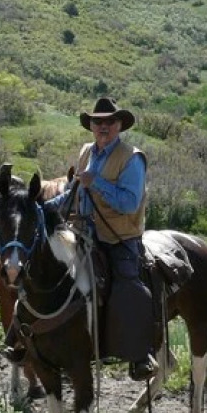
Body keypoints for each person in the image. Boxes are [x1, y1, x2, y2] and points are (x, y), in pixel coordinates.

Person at [50, 96, 155, 379]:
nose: (103, 126)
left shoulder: (132, 157)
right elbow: (74, 191)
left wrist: (96, 182)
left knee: (126, 285)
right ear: (91, 126)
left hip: (119, 237)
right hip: (81, 231)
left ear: (119, 125)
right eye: (98, 122)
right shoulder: (87, 151)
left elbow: (129, 203)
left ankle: (140, 354)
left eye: (109, 121)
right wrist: (44, 209)